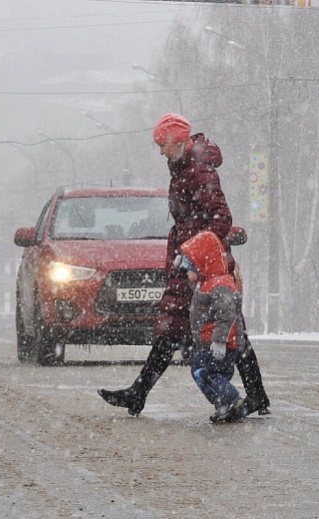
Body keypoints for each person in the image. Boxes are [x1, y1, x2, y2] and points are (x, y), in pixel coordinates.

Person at [98, 113, 270, 417]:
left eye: (163, 145)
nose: (160, 151)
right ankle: (141, 392)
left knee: (221, 328)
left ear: (179, 141)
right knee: (179, 327)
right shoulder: (183, 167)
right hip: (191, 264)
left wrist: (195, 255)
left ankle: (141, 392)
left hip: (202, 267)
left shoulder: (199, 171)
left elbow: (221, 219)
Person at [180, 230, 246, 423]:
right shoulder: (209, 282)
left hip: (221, 344)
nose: (186, 272)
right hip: (215, 344)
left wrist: (219, 341)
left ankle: (231, 399)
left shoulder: (219, 284)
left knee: (202, 372)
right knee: (213, 375)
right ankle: (223, 405)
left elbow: (225, 314)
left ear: (201, 264)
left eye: (189, 266)